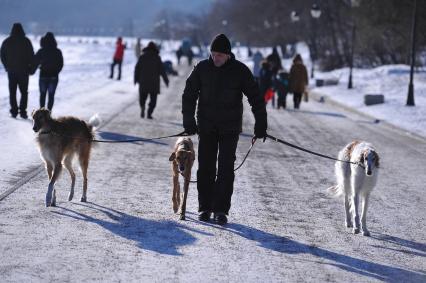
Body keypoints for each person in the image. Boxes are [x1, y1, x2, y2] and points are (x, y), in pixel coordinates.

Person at [182, 33, 267, 225]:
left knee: (226, 169)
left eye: (219, 55)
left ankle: (221, 210)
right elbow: (189, 94)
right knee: (205, 168)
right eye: (213, 54)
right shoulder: (202, 68)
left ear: (228, 54)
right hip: (206, 126)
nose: (215, 58)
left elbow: (256, 98)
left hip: (229, 128)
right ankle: (205, 207)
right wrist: (189, 121)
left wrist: (260, 124)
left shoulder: (240, 71)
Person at [0, 23, 34, 119]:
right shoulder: (26, 41)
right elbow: (31, 55)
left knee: (12, 92)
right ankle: (23, 112)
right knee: (24, 92)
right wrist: (30, 68)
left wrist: (7, 66)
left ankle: (14, 111)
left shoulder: (7, 41)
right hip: (24, 71)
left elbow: (2, 55)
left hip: (11, 71)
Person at [134, 41, 169, 119]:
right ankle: (149, 113)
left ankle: (142, 106)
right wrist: (166, 80)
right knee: (153, 101)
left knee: (142, 98)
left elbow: (137, 69)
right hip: (154, 83)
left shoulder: (142, 57)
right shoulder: (157, 58)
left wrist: (135, 79)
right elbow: (162, 70)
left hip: (143, 82)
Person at [32, 32, 64, 111]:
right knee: (51, 95)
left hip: (43, 75)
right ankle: (49, 113)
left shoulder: (41, 51)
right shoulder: (57, 51)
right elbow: (61, 63)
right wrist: (56, 71)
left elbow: (35, 61)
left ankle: (42, 112)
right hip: (54, 76)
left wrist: (31, 71)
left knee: (42, 95)